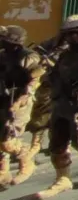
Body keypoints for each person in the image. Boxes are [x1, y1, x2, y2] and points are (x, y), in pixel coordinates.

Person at [34, 17, 78, 200]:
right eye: (71, 33)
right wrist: (50, 76)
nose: (75, 36)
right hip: (62, 102)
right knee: (57, 142)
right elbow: (55, 76)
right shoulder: (64, 54)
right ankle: (63, 179)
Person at [24, 15, 78, 161]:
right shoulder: (54, 41)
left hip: (73, 90)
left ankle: (71, 148)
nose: (72, 34)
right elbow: (37, 53)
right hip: (50, 85)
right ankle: (36, 145)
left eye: (76, 31)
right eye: (68, 30)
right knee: (41, 115)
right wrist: (40, 60)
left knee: (69, 122)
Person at [0, 26, 45, 188]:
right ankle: (3, 173)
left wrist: (21, 99)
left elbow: (34, 79)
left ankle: (25, 158)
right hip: (4, 99)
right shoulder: (3, 55)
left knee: (8, 138)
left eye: (4, 39)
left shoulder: (28, 57)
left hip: (21, 100)